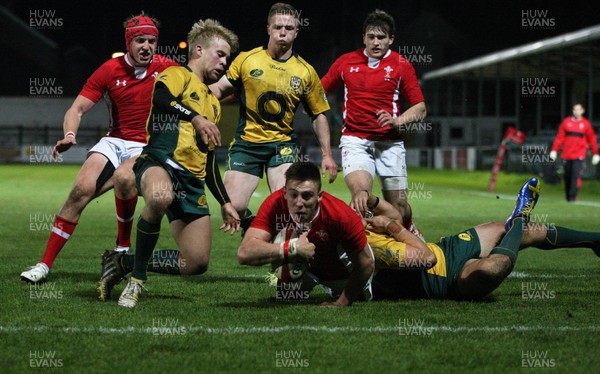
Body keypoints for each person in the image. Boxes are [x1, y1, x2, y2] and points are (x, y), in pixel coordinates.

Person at [20, 12, 178, 284]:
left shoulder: (168, 68)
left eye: (152, 41)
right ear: (129, 42)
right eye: (140, 40)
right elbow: (77, 108)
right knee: (80, 190)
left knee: (125, 179)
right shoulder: (109, 69)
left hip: (146, 144)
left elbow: (199, 85)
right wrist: (70, 135)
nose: (147, 47)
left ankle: (122, 249)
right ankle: (44, 264)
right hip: (115, 140)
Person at [98, 18, 240, 308]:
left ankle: (122, 262)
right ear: (199, 50)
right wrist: (195, 117)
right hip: (158, 163)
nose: (225, 63)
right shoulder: (178, 74)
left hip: (191, 181)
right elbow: (162, 99)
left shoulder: (213, 104)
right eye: (221, 54)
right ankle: (137, 281)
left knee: (196, 263)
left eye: (228, 58)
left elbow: (208, 156)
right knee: (161, 196)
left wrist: (225, 201)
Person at [210, 3, 338, 233]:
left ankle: (280, 258)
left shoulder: (305, 71)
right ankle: (255, 229)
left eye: (289, 27)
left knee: (290, 206)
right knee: (234, 207)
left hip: (282, 147)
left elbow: (318, 114)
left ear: (296, 32)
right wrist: (195, 99)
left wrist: (327, 154)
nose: (283, 31)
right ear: (268, 29)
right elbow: (220, 88)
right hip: (246, 145)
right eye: (278, 26)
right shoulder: (247, 60)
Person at [367, 178, 600, 300]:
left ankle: (595, 240)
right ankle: (520, 216)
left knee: (503, 229)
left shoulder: (360, 222)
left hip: (447, 249)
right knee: (490, 269)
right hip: (450, 282)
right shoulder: (358, 250)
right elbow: (424, 258)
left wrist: (370, 200)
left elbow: (398, 213)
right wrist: (389, 225)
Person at [321, 9, 426, 238]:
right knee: (361, 196)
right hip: (355, 140)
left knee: (398, 207)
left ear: (391, 39)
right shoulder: (346, 62)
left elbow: (420, 108)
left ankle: (407, 224)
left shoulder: (401, 65)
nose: (376, 42)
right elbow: (318, 93)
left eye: (381, 37)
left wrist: (397, 121)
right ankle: (362, 256)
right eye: (371, 37)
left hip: (390, 143)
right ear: (364, 38)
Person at [237, 162, 374, 307]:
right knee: (286, 295)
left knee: (365, 295)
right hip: (307, 269)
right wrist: (292, 248)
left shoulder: (339, 214)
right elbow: (245, 253)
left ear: (319, 196)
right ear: (284, 192)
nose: (299, 202)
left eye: (307, 196)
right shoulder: (275, 204)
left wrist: (342, 302)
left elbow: (366, 263)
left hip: (341, 273)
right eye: (293, 195)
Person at [549, 103, 599, 202]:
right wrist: (554, 150)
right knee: (567, 176)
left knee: (575, 176)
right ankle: (568, 197)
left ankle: (573, 197)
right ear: (573, 111)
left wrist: (595, 153)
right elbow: (560, 137)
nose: (577, 112)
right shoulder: (566, 122)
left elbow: (592, 139)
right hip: (567, 155)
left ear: (582, 111)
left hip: (579, 154)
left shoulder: (585, 124)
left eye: (578, 109)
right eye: (575, 110)